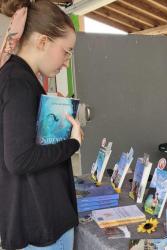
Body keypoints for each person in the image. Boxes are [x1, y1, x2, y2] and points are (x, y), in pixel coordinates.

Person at [0, 0, 84, 249]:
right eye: (66, 51)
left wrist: (47, 109)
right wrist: (73, 143)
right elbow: (20, 159)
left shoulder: (18, 78)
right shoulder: (19, 82)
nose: (67, 62)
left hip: (34, 218)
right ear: (43, 41)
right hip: (39, 225)